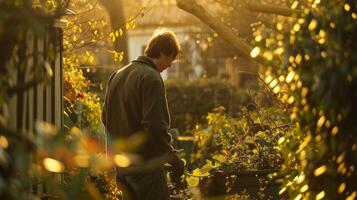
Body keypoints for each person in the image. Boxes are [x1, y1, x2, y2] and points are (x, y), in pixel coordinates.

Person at [101, 28, 184, 200]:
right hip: (146, 167)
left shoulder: (117, 75)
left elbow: (105, 117)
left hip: (122, 165)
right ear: (162, 52)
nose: (170, 65)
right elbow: (154, 124)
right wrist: (172, 157)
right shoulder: (151, 78)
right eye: (171, 59)